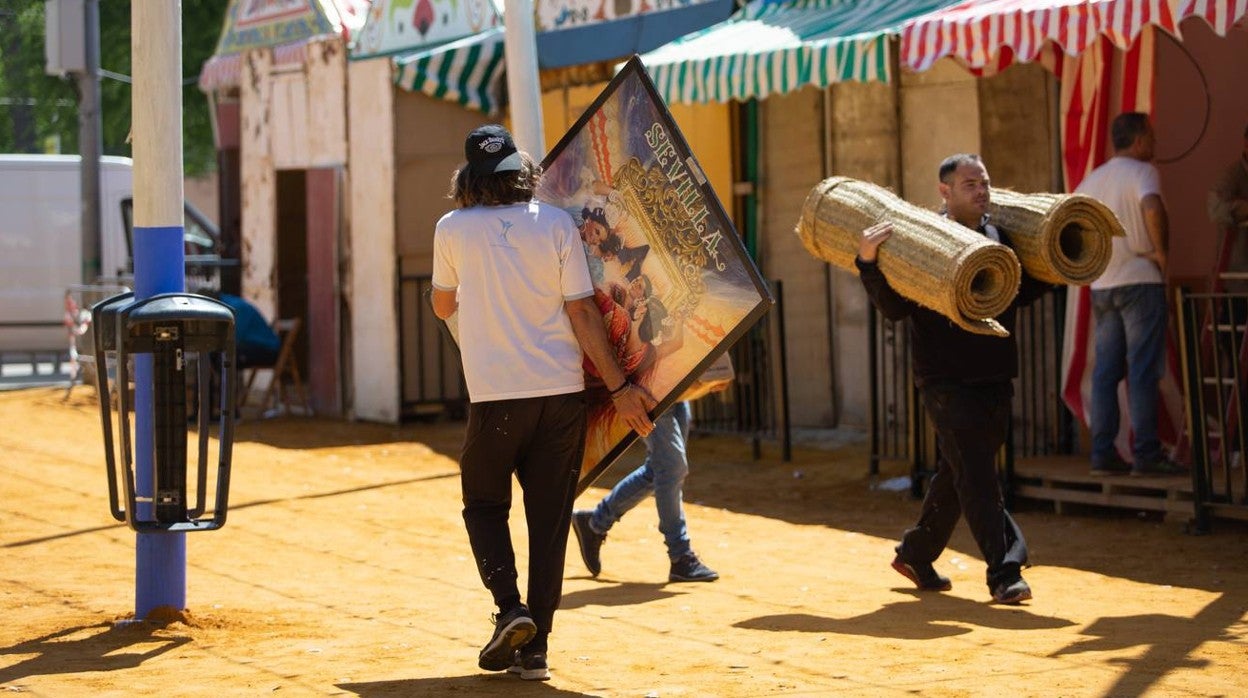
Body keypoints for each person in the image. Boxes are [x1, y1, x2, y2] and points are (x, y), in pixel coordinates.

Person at [431, 124, 656, 681]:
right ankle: (538, 651)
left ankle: (510, 609)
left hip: (497, 398)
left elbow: (442, 306)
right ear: (520, 172)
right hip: (561, 397)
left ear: (470, 180)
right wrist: (623, 389)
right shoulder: (556, 225)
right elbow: (582, 313)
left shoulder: (451, 229)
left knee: (484, 505)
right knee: (549, 520)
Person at [856, 153, 1049, 605]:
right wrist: (868, 263)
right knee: (979, 473)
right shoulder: (921, 238)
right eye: (969, 185)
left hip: (995, 373)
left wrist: (1057, 258)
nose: (982, 191)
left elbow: (1021, 293)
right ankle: (1005, 571)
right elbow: (897, 308)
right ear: (944, 191)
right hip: (944, 380)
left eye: (984, 182)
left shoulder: (1000, 237)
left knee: (960, 471)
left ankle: (916, 553)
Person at [1076, 112, 1183, 477]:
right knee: (1142, 369)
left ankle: (1103, 453)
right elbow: (1152, 206)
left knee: (1106, 371)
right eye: (1150, 138)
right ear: (1138, 140)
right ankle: (1146, 453)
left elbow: (1071, 224)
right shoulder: (1143, 172)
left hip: (1103, 283)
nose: (1153, 145)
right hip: (1140, 279)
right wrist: (1161, 252)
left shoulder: (1092, 180)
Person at [570, 399, 719, 583]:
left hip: (679, 392)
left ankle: (595, 521)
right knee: (670, 468)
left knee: (660, 469)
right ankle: (680, 555)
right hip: (648, 394)